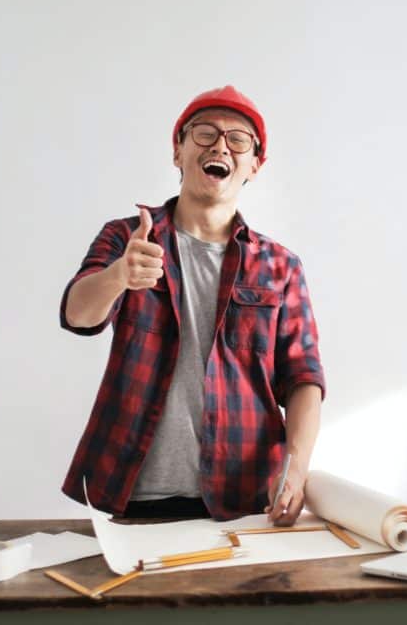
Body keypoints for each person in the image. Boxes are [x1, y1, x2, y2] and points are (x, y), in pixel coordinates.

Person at [59, 85, 325, 525]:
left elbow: (304, 379)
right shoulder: (130, 240)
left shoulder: (280, 266)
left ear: (255, 166)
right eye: (204, 133)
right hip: (139, 495)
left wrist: (296, 470)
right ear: (178, 151)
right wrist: (119, 276)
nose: (220, 145)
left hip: (246, 498)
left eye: (238, 139)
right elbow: (77, 313)